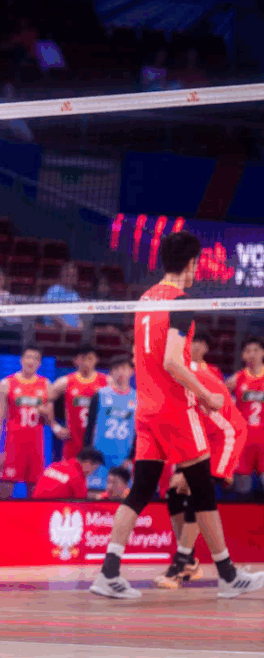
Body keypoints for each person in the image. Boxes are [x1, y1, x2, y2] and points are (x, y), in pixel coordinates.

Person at [90, 231, 264, 599]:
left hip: (145, 410)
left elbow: (145, 356)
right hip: (174, 409)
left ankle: (108, 572)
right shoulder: (181, 301)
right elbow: (171, 360)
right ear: (190, 264)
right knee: (203, 490)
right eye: (197, 264)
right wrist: (205, 394)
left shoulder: (145, 299)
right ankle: (228, 576)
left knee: (140, 489)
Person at [155, 360, 247, 589]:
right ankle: (189, 560)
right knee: (174, 492)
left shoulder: (180, 372)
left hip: (226, 435)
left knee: (198, 494)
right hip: (202, 437)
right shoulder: (171, 375)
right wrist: (181, 470)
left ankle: (181, 562)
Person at [0, 346, 51, 498]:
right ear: (21, 360)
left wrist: (46, 413)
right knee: (4, 492)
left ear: (40, 363)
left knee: (35, 493)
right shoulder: (6, 384)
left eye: (35, 358)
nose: (31, 361)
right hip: (12, 446)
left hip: (35, 448)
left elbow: (49, 421)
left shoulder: (46, 384)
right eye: (28, 357)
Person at [47, 343, 109, 461]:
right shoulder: (65, 382)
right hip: (73, 443)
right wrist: (55, 427)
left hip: (97, 443)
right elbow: (44, 402)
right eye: (83, 359)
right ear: (75, 361)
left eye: (90, 359)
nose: (86, 363)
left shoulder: (106, 382)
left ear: (96, 360)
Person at [84, 356, 137, 493]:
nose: (120, 372)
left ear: (131, 371)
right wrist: (88, 457)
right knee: (94, 494)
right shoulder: (100, 395)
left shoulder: (137, 399)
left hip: (123, 457)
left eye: (124, 368)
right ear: (111, 373)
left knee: (122, 496)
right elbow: (90, 427)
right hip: (99, 457)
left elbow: (139, 432)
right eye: (116, 369)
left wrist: (131, 458)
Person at [227, 336, 263, 497]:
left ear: (263, 352)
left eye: (256, 350)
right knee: (243, 491)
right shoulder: (236, 379)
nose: (252, 354)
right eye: (248, 351)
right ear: (242, 355)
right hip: (244, 442)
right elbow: (220, 403)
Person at [31, 447, 105, 499]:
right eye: (95, 468)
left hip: (33, 507)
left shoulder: (54, 465)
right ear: (88, 463)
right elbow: (82, 505)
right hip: (51, 513)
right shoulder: (78, 478)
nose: (93, 473)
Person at [43, 261, 84, 329]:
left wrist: (81, 325)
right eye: (68, 275)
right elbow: (50, 311)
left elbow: (78, 317)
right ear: (62, 275)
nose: (70, 278)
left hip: (73, 331)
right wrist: (64, 325)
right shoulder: (54, 290)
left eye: (73, 275)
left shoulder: (75, 294)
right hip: (55, 330)